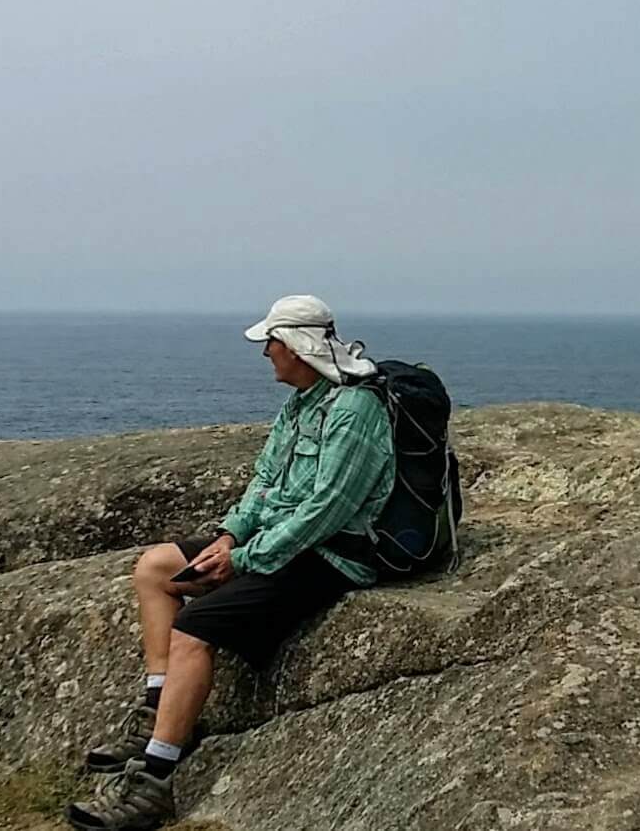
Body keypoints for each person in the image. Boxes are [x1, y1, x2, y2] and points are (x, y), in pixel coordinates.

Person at [66, 295, 395, 831]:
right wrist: (228, 536)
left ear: (295, 347)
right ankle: (158, 709)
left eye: (271, 343)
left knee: (193, 629)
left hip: (332, 556)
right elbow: (264, 484)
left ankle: (153, 781)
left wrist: (244, 560)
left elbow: (328, 509)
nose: (265, 352)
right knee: (154, 569)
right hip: (271, 542)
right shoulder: (299, 404)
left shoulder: (355, 410)